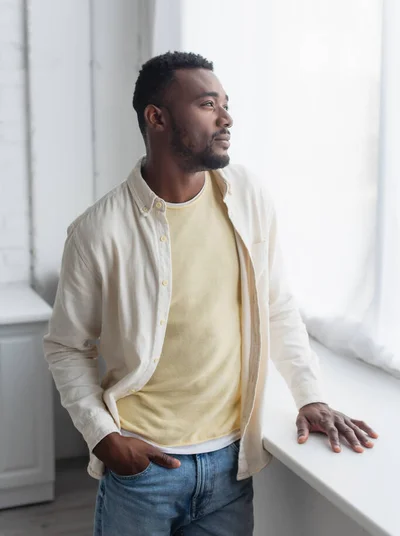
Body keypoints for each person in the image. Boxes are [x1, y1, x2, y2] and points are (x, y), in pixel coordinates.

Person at [43, 52, 378, 536]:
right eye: (207, 104)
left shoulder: (247, 196)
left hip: (230, 466)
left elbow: (276, 305)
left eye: (225, 103)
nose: (226, 118)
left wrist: (310, 395)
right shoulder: (97, 231)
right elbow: (66, 347)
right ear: (156, 117)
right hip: (143, 471)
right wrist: (104, 437)